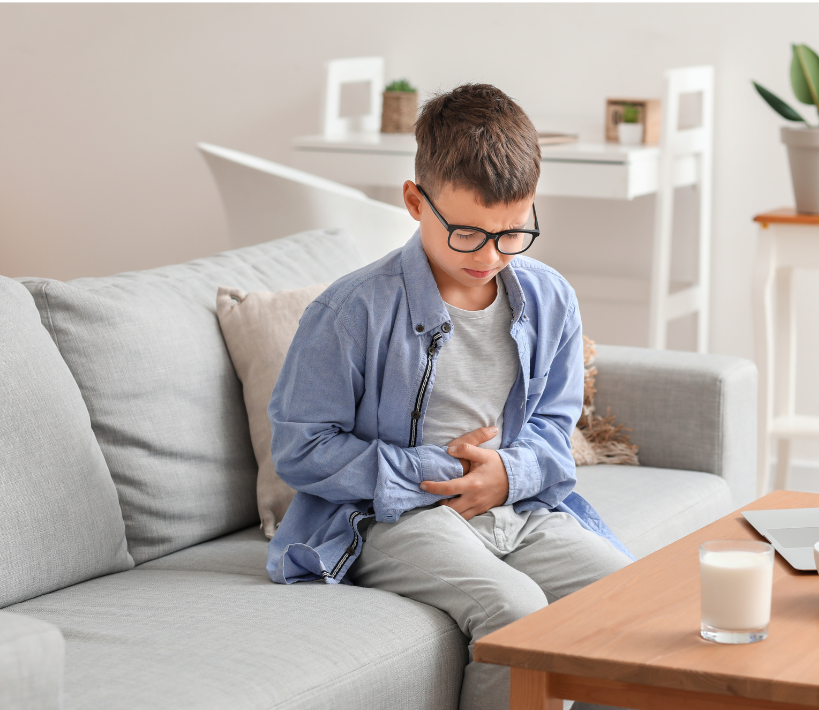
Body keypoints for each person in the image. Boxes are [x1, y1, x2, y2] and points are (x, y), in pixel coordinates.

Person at [266, 83, 632, 710]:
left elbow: (553, 425)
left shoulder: (550, 299)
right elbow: (302, 449)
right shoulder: (351, 309)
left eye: (512, 232)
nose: (490, 255)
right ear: (415, 200)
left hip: (514, 508)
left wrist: (506, 475)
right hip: (387, 519)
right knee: (514, 611)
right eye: (467, 232)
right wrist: (441, 472)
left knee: (623, 599)